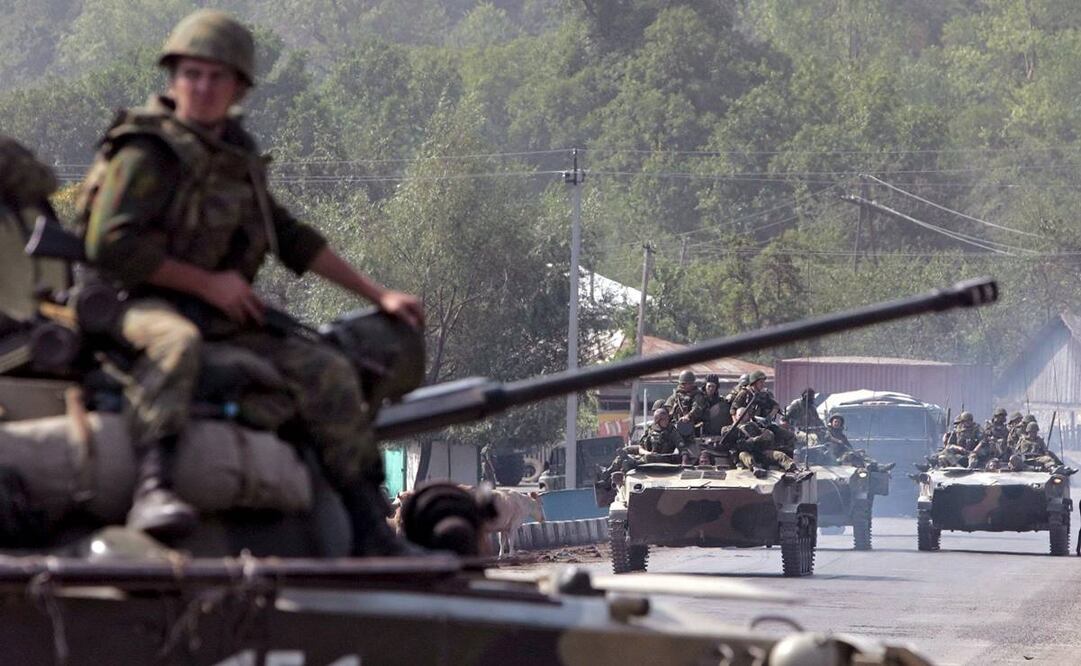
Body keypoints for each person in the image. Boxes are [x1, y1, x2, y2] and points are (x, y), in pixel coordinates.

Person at [80, 10, 424, 555]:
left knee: (327, 370)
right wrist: (207, 284)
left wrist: (378, 294)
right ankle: (153, 487)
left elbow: (289, 237)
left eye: (218, 77)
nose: (203, 87)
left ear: (239, 86)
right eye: (192, 74)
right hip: (135, 303)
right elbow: (108, 246)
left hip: (220, 307)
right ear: (173, 77)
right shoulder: (146, 149)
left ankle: (369, 527)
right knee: (177, 346)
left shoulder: (235, 157)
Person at [723, 420, 805, 480]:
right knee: (743, 455)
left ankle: (796, 471)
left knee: (779, 455)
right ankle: (756, 469)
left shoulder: (750, 427)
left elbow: (768, 434)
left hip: (760, 452)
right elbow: (734, 456)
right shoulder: (731, 436)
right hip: (747, 456)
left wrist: (754, 440)